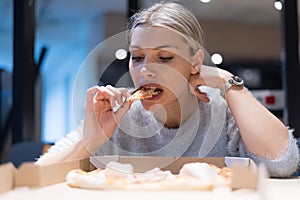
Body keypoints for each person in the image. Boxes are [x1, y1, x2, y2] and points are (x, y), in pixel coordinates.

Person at [36, 2, 299, 177]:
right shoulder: (120, 114)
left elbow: (283, 163)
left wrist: (229, 82)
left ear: (195, 62)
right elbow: (38, 174)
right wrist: (91, 141)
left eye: (164, 58)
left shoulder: (221, 112)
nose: (145, 71)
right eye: (137, 57)